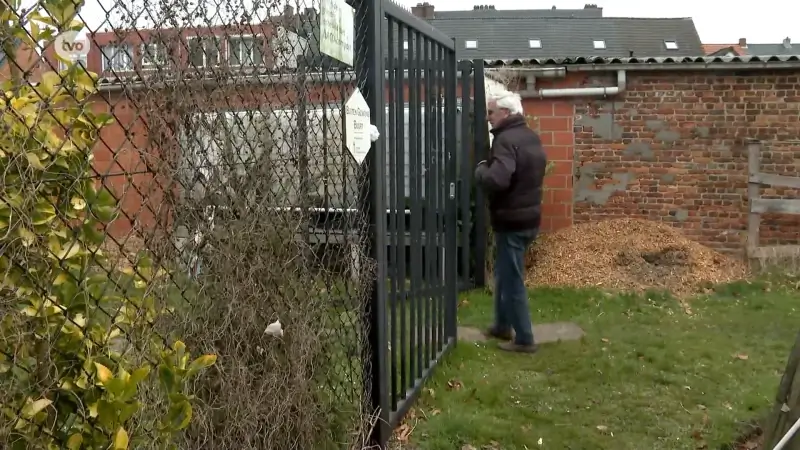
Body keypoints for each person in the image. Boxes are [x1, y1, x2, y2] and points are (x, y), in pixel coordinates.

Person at [474, 90, 547, 354]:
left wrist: (481, 168)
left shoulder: (505, 140)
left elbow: (497, 179)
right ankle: (502, 325)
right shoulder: (530, 137)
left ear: (505, 113)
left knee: (512, 279)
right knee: (505, 274)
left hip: (512, 221)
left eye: (491, 112)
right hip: (529, 219)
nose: (488, 118)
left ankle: (525, 338)